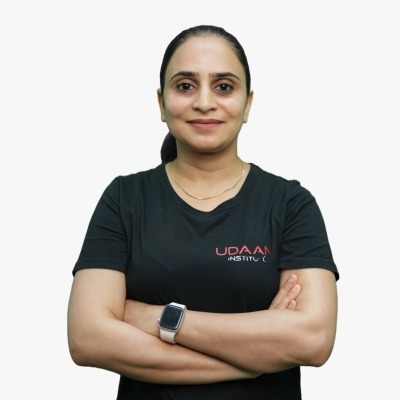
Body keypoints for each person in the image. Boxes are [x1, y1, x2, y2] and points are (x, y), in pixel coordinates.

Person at [67, 25, 339, 400]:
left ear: (248, 103)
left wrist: (159, 318)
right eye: (185, 86)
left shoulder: (291, 203)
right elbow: (88, 339)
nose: (205, 102)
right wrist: (255, 358)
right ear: (161, 102)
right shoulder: (124, 199)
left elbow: (313, 340)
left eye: (224, 86)